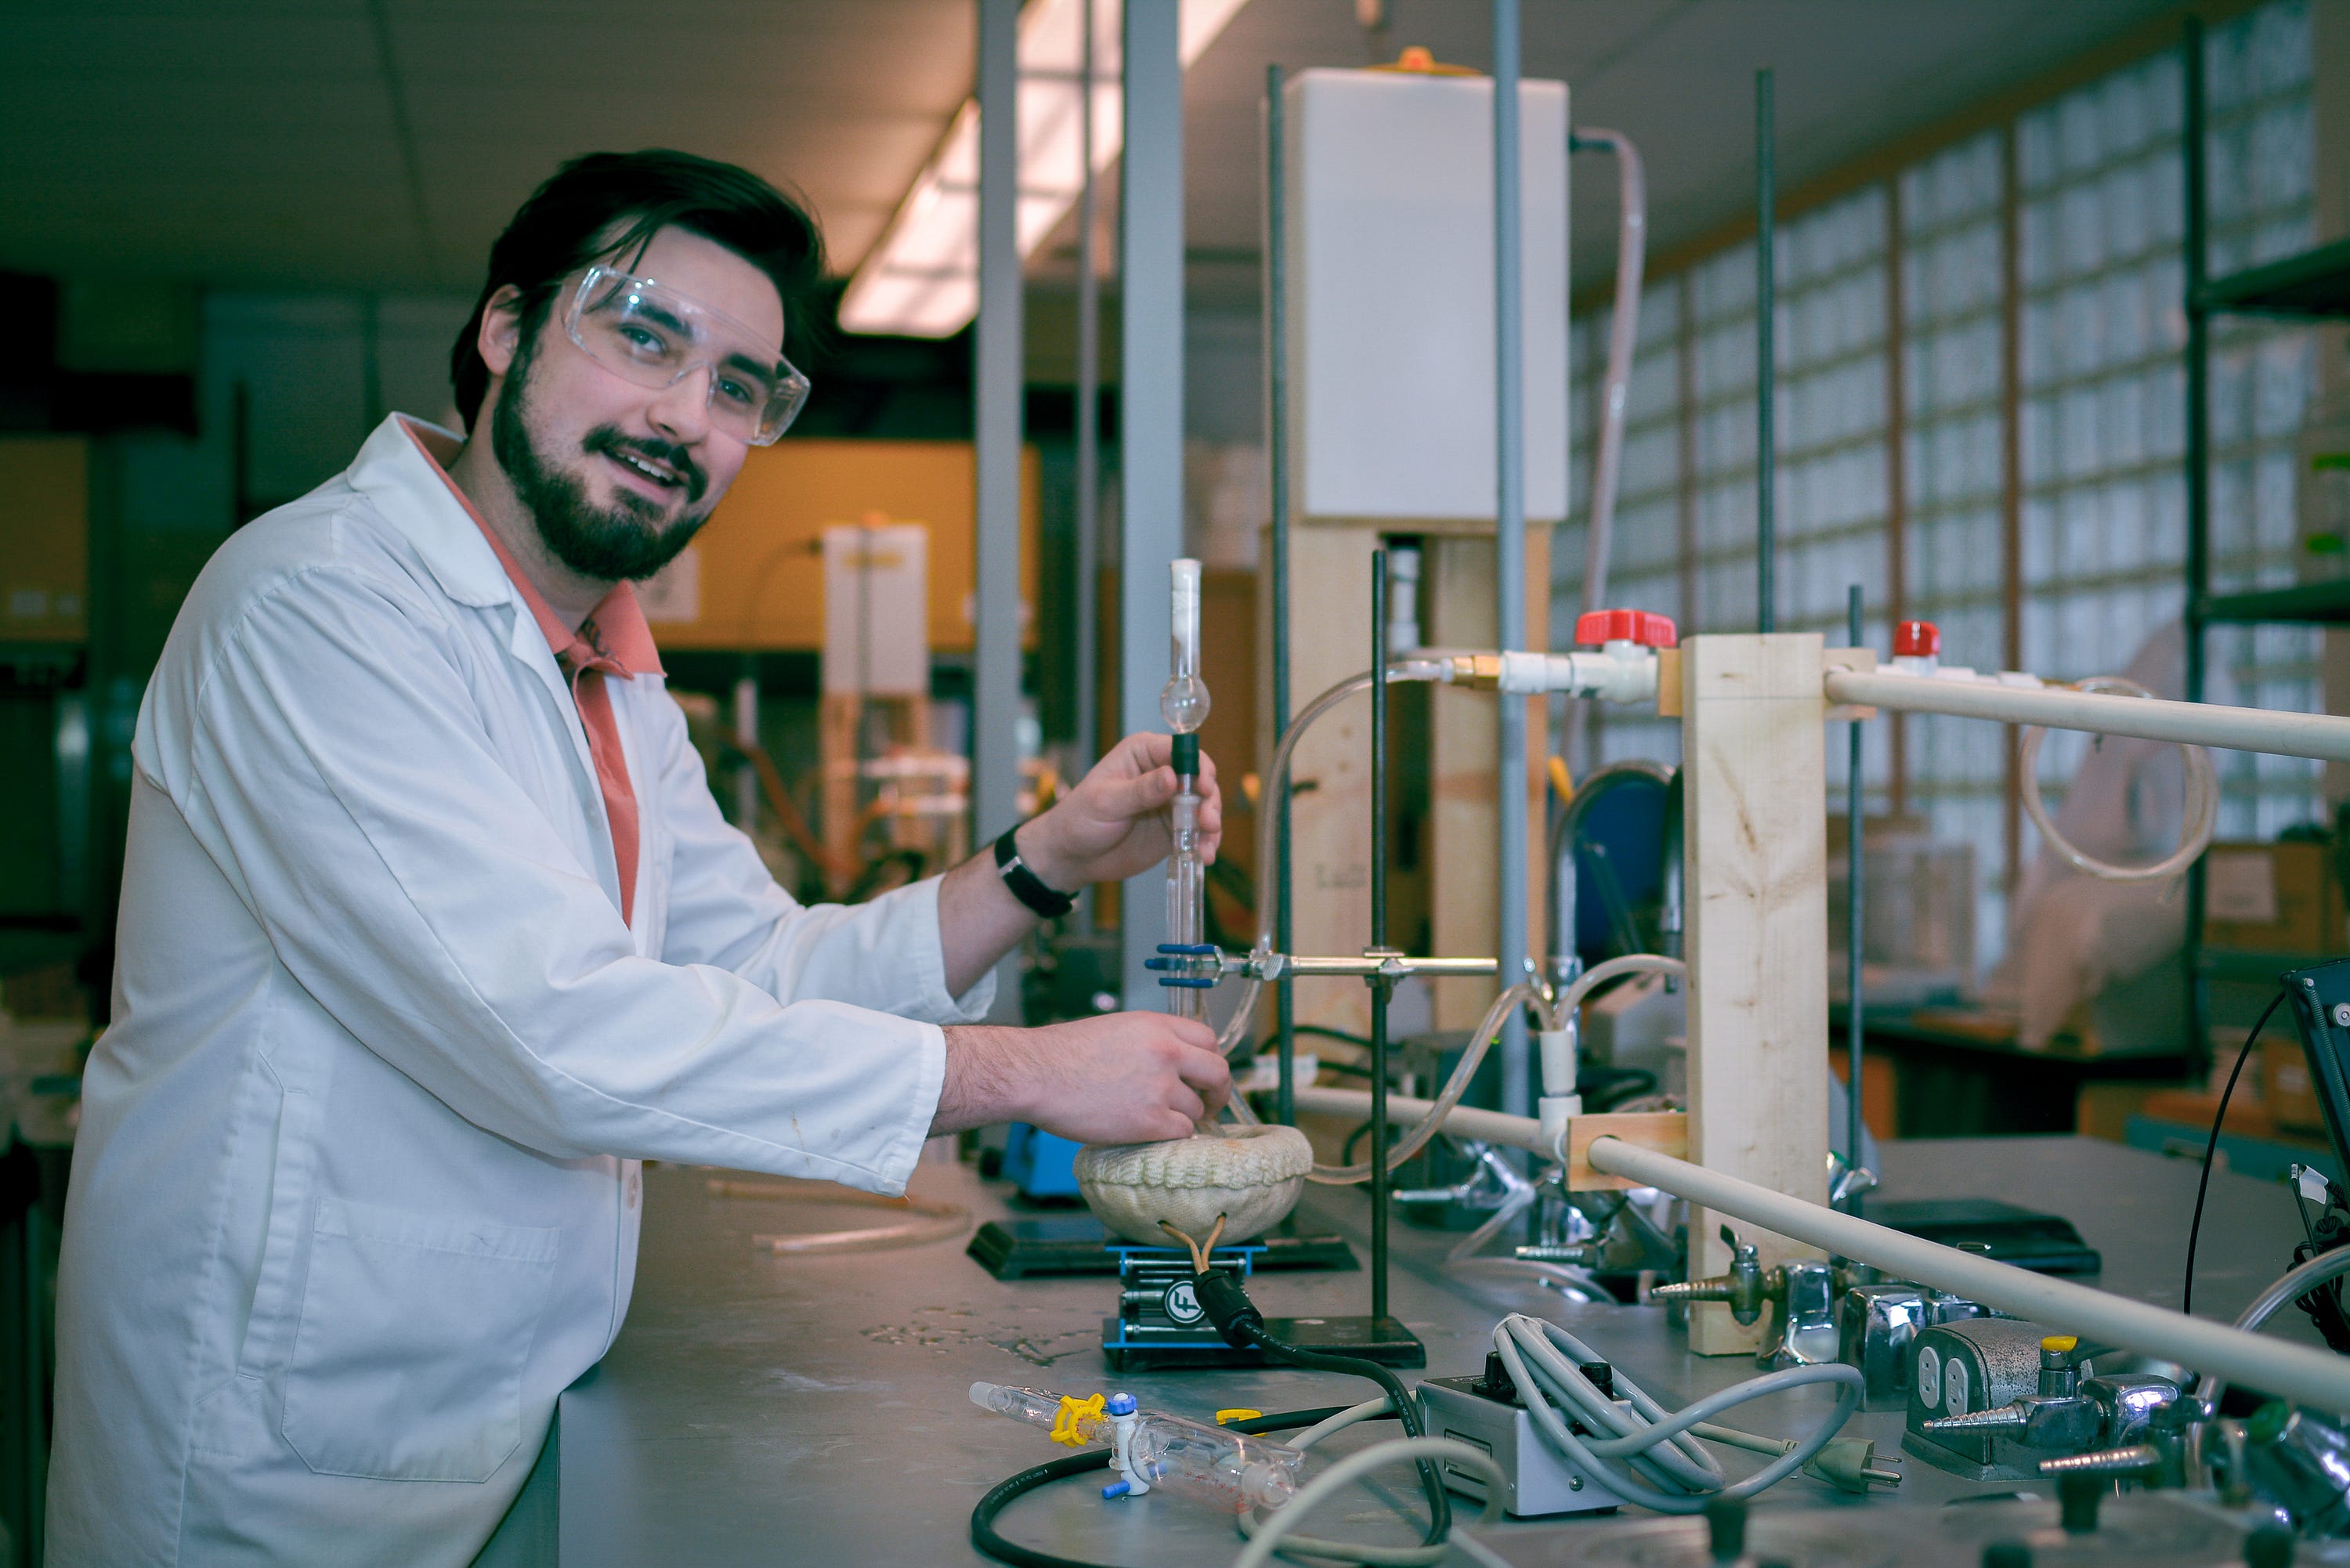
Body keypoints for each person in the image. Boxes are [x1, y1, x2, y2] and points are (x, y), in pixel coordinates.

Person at [46, 150, 1230, 1566]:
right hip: (284, 1475)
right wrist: (1030, 1072)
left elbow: (759, 965)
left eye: (740, 386)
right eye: (643, 334)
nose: (686, 414)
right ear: (505, 329)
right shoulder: (316, 607)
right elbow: (551, 1023)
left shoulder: (603, 666)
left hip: (489, 1426)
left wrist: (1044, 859)